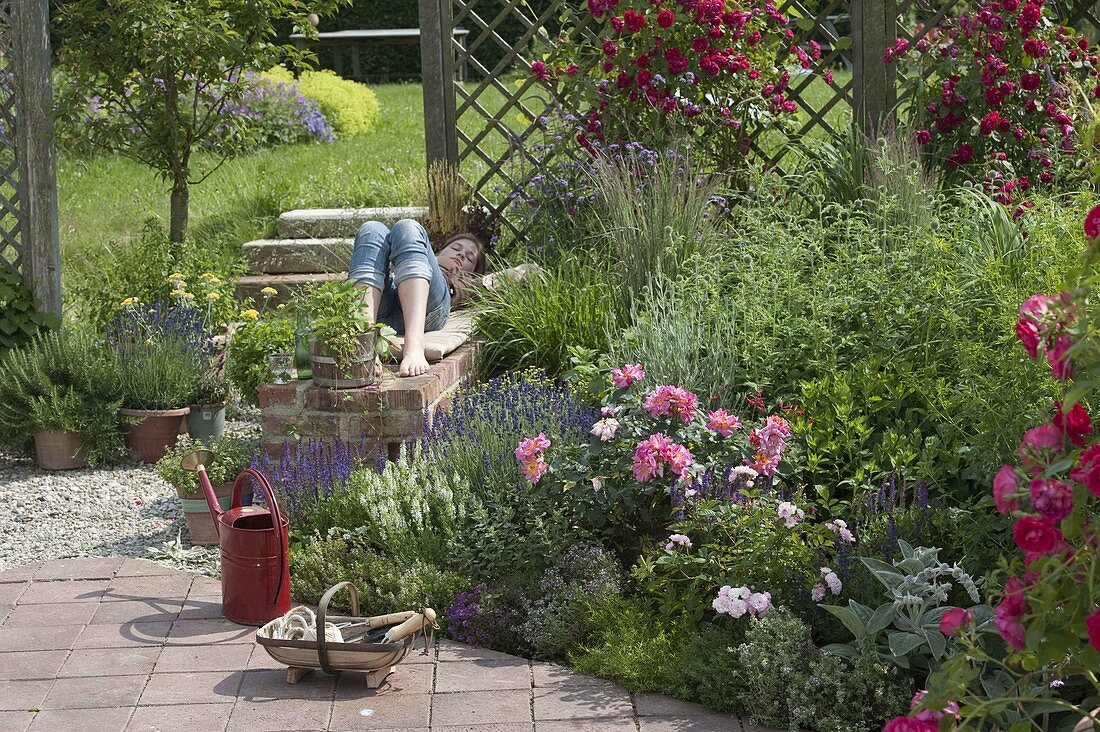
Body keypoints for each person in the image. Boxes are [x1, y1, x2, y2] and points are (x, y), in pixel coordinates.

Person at [347, 218, 535, 377]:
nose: (461, 254)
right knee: (371, 229)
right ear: (436, 250)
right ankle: (365, 343)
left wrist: (527, 269)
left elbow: (518, 273)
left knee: (408, 226)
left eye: (470, 258)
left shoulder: (469, 280)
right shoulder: (419, 253)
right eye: (456, 248)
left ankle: (414, 345)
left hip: (430, 309)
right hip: (384, 307)